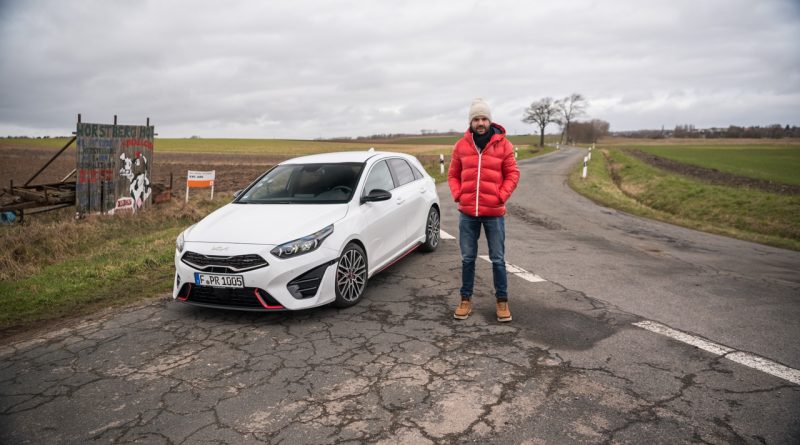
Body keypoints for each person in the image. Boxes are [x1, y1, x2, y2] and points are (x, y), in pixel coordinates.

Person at [448, 98, 520, 322]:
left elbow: (513, 174)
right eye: (476, 119)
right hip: (468, 214)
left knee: (497, 259)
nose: (480, 122)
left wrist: (501, 196)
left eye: (484, 118)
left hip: (494, 214)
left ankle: (502, 301)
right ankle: (465, 300)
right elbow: (452, 174)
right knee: (468, 258)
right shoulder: (461, 146)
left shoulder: (503, 145)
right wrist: (458, 194)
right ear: (471, 122)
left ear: (490, 120)